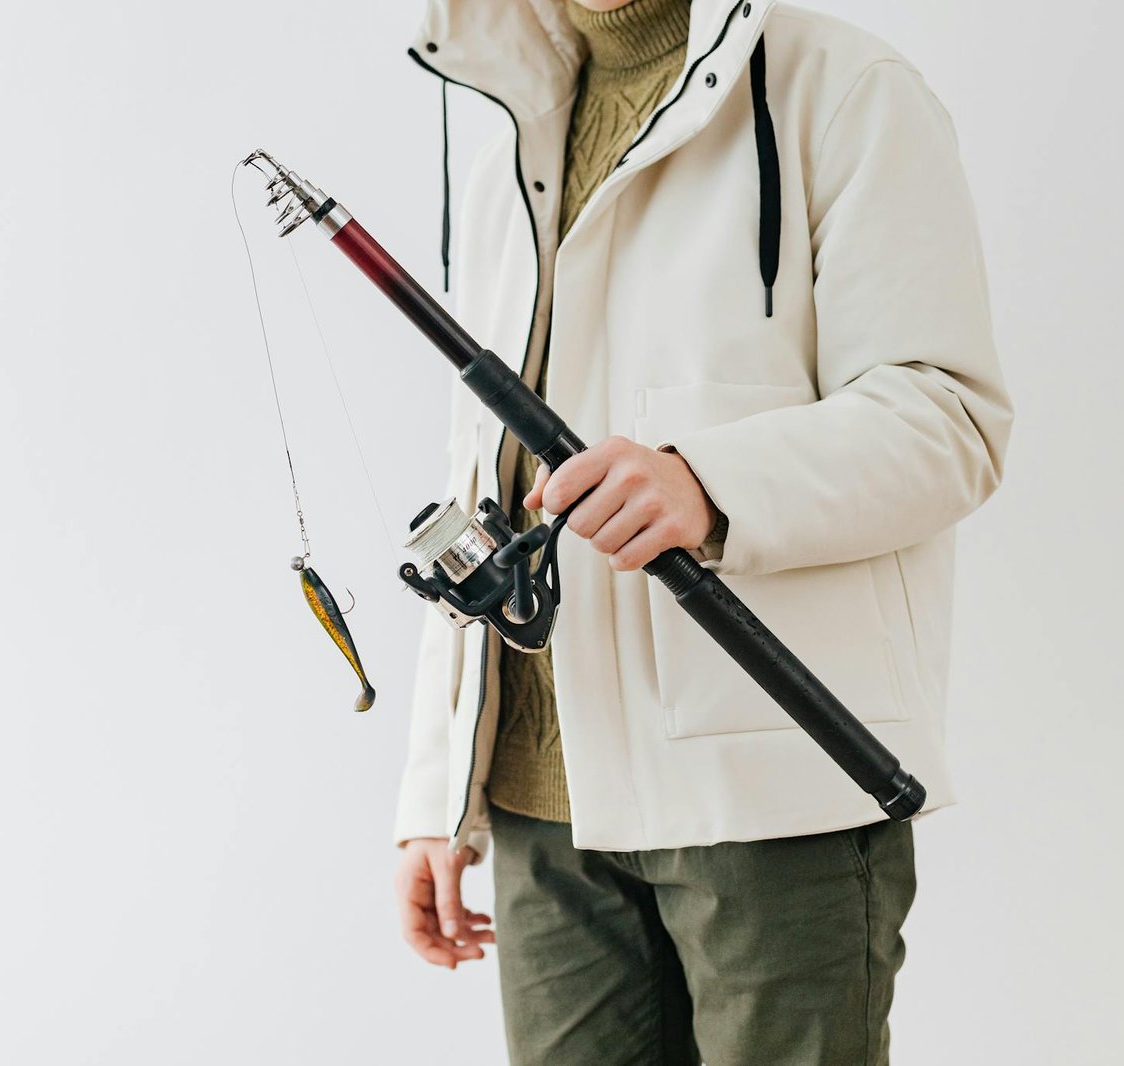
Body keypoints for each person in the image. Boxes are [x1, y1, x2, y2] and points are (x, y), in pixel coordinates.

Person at [392, 0, 1014, 1062]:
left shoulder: (849, 90)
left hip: (776, 796)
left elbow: (946, 420)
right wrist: (438, 785)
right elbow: (482, 463)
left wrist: (708, 482)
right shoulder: (501, 100)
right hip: (544, 807)